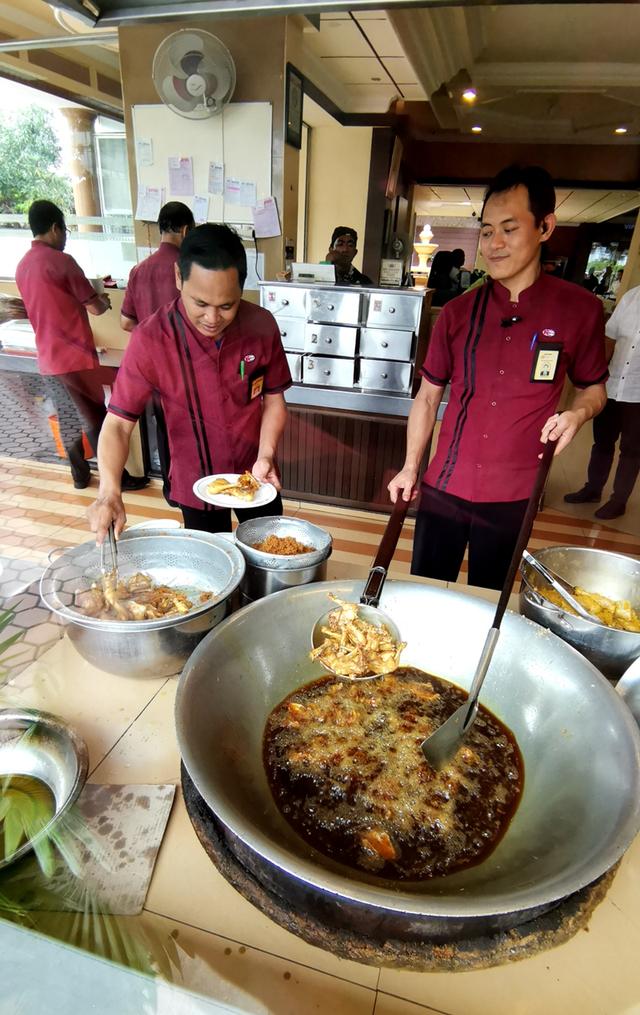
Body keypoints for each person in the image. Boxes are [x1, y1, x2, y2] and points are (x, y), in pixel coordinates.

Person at [388, 164, 608, 591]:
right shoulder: (457, 313)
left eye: (509, 228)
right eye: (487, 231)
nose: (495, 244)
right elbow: (429, 397)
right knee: (428, 595)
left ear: (545, 227)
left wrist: (577, 414)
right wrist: (411, 467)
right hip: (445, 486)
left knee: (495, 601)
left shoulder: (580, 310)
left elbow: (594, 387)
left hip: (516, 494)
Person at [88, 223, 292, 542]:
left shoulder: (261, 325)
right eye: (200, 303)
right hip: (196, 478)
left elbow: (274, 400)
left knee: (270, 553)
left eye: (227, 305)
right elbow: (118, 423)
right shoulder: (152, 338)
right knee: (214, 573)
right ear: (178, 278)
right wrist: (108, 491)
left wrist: (266, 455)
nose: (212, 318)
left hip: (257, 474)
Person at [15, 200, 148, 491]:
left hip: (48, 358)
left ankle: (79, 476)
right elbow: (96, 308)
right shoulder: (62, 262)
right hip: (75, 357)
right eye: (64, 231)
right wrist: (104, 300)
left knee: (67, 419)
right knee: (100, 420)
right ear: (54, 228)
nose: (65, 238)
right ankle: (118, 480)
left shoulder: (23, 266)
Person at [120, 201, 195, 502]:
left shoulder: (139, 270)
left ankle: (170, 489)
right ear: (187, 229)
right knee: (188, 430)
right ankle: (191, 490)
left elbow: (126, 322)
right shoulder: (189, 267)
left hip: (151, 370)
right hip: (185, 368)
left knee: (163, 429)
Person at [564, 282, 640, 520]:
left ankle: (618, 501)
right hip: (613, 383)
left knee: (632, 449)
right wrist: (594, 377)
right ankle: (593, 488)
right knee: (602, 442)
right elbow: (609, 338)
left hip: (638, 393)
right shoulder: (631, 297)